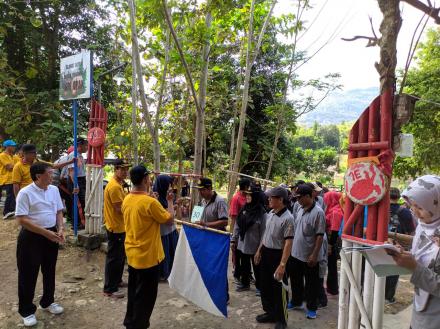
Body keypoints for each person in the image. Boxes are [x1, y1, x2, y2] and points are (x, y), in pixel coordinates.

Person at [122, 165, 175, 329]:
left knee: (134, 292)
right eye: (149, 177)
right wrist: (171, 201)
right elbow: (169, 219)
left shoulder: (128, 199)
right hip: (148, 258)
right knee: (146, 298)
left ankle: (130, 321)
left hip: (132, 254)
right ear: (145, 179)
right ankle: (138, 325)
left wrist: (151, 197)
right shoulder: (150, 203)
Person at [386, 175, 440, 329]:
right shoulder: (424, 226)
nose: (415, 212)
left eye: (421, 207)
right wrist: (403, 254)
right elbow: (422, 256)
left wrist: (414, 267)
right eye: (412, 206)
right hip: (420, 312)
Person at [15, 162, 65, 327]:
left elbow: (58, 210)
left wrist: (61, 228)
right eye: (50, 173)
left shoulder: (54, 190)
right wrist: (45, 233)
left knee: (49, 270)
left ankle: (48, 301)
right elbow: (21, 219)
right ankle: (27, 311)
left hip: (51, 234)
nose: (53, 176)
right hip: (31, 237)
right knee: (28, 274)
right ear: (38, 176)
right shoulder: (25, 193)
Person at [254, 186, 293, 329]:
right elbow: (266, 235)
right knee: (266, 286)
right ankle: (270, 313)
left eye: (272, 197)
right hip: (266, 253)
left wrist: (282, 264)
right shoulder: (270, 214)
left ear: (281, 199)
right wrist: (259, 250)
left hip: (279, 255)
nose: (269, 199)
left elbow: (288, 243)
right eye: (269, 197)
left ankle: (282, 319)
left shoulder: (288, 218)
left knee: (279, 289)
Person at [289, 184, 326, 320]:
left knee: (311, 284)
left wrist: (314, 255)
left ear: (308, 196)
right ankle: (296, 301)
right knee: (295, 280)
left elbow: (320, 235)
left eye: (300, 197)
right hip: (296, 253)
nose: (297, 200)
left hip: (310, 256)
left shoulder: (318, 213)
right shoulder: (299, 208)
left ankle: (311, 308)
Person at [103, 160, 130, 299]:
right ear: (116, 169)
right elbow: (119, 209)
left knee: (120, 257)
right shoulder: (114, 187)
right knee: (114, 258)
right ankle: (110, 288)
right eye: (123, 169)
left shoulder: (119, 184)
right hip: (116, 227)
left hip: (120, 226)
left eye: (127, 169)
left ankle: (117, 281)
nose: (125, 172)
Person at [232, 184, 267, 294]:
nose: (247, 197)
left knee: (257, 267)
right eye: (246, 194)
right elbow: (238, 224)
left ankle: (260, 286)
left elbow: (264, 233)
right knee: (244, 265)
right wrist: (234, 239)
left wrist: (260, 249)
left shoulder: (262, 213)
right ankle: (245, 283)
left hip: (255, 246)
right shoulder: (244, 208)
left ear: (255, 197)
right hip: (243, 244)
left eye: (250, 195)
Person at [385, 187, 416, 304]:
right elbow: (411, 230)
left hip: (382, 242)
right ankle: (388, 296)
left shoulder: (382, 209)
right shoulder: (405, 212)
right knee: (394, 270)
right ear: (398, 197)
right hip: (399, 245)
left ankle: (377, 293)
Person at [153, 174, 179, 281]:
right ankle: (163, 273)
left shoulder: (163, 197)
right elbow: (169, 220)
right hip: (163, 232)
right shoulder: (156, 200)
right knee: (165, 254)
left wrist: (173, 205)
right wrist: (170, 203)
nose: (170, 187)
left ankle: (169, 271)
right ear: (162, 185)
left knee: (171, 253)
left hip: (170, 232)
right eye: (168, 185)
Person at [230, 178, 251, 285]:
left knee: (244, 256)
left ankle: (246, 274)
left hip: (246, 233)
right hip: (238, 232)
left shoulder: (247, 197)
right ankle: (237, 275)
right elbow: (234, 218)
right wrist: (233, 236)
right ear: (246, 187)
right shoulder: (236, 198)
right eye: (249, 186)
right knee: (237, 255)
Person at [323, 190, 344, 295]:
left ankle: (333, 288)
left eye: (327, 198)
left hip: (333, 241)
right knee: (331, 265)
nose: (325, 200)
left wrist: (330, 245)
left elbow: (335, 230)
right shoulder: (335, 209)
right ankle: (331, 286)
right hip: (332, 239)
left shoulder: (336, 211)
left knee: (332, 265)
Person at [66, 138, 88, 227]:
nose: (87, 147)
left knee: (81, 201)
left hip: (81, 179)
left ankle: (78, 222)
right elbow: (71, 171)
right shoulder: (73, 155)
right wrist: (76, 185)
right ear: (80, 146)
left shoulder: (80, 156)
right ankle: (77, 223)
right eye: (85, 145)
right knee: (78, 202)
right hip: (75, 180)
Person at [0, 139, 17, 219]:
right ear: (7, 147)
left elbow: (21, 163)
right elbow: (9, 167)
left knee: (13, 195)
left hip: (13, 179)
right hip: (5, 180)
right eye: (12, 146)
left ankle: (11, 211)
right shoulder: (2, 155)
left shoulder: (13, 156)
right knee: (8, 195)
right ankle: (6, 212)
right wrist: (17, 166)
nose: (14, 147)